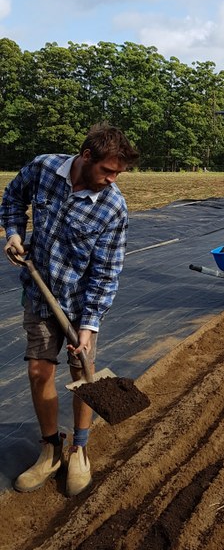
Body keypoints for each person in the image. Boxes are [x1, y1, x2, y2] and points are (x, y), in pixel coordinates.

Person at [0, 123, 139, 497]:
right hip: (40, 291)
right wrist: (13, 232)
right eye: (108, 171)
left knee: (83, 372)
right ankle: (51, 449)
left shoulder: (112, 207)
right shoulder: (44, 168)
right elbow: (13, 198)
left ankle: (80, 448)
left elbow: (107, 272)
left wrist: (89, 326)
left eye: (118, 174)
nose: (112, 180)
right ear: (86, 156)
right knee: (38, 370)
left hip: (81, 303)